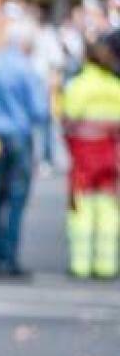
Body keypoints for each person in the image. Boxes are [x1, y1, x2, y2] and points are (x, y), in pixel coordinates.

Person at [0, 16, 49, 277]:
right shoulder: (27, 69)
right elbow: (39, 111)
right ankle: (8, 256)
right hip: (18, 135)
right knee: (16, 198)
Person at [61, 43, 120, 279]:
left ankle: (80, 263)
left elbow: (68, 121)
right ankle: (106, 264)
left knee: (81, 210)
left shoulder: (78, 86)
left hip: (84, 157)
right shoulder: (115, 87)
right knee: (108, 210)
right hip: (110, 157)